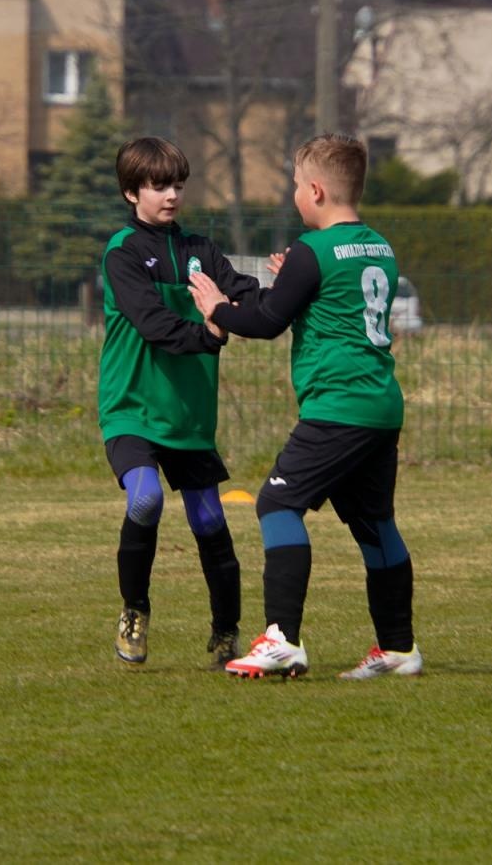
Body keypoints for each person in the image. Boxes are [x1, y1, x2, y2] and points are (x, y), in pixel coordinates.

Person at [188, 133, 421, 680]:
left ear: (315, 190)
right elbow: (325, 300)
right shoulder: (378, 247)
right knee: (375, 522)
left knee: (276, 505)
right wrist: (291, 278)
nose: (294, 193)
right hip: (379, 405)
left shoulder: (313, 253)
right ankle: (398, 648)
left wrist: (219, 309)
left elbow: (266, 321)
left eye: (296, 184)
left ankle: (282, 639)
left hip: (338, 407)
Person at [98, 136, 262, 668]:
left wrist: (288, 285)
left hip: (189, 414)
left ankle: (225, 632)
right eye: (158, 185)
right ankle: (134, 613)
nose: (171, 195)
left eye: (178, 185)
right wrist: (210, 336)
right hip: (132, 407)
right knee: (144, 500)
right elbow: (153, 324)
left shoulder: (202, 253)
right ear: (131, 192)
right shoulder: (122, 252)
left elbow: (241, 291)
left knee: (210, 520)